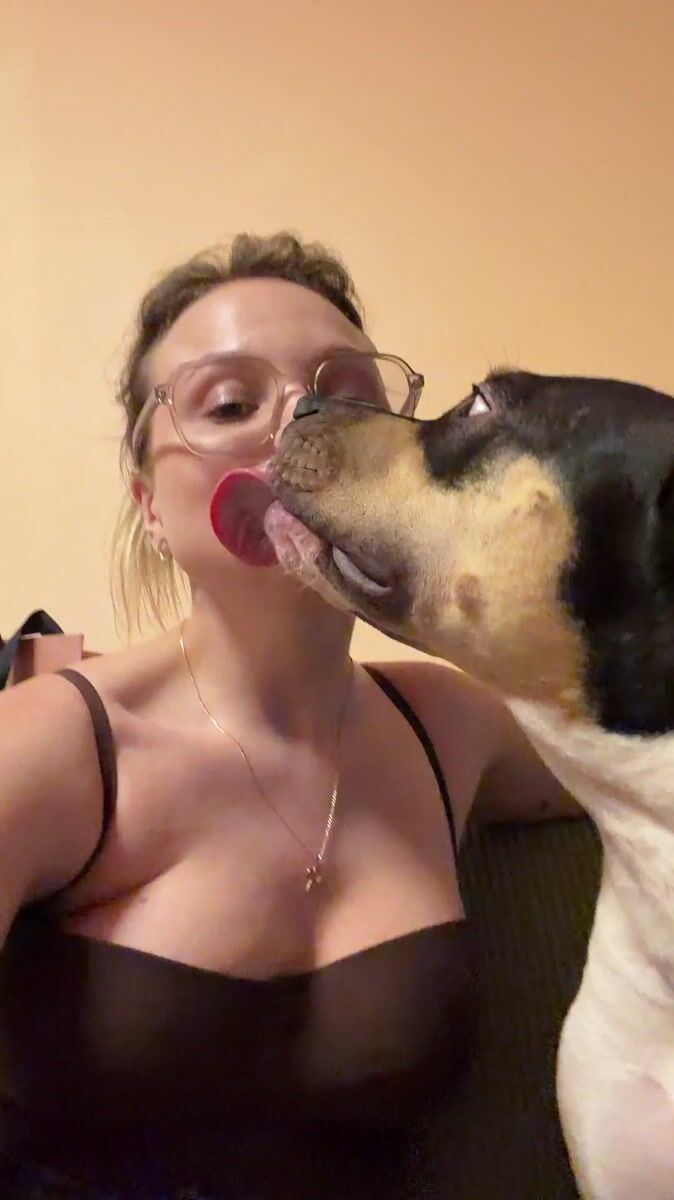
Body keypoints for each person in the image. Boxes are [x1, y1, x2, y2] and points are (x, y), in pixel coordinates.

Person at [0, 233, 578, 1199]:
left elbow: (640, 748)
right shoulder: (54, 743)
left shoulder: (451, 727)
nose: (302, 420)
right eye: (230, 403)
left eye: (346, 393)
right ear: (150, 505)